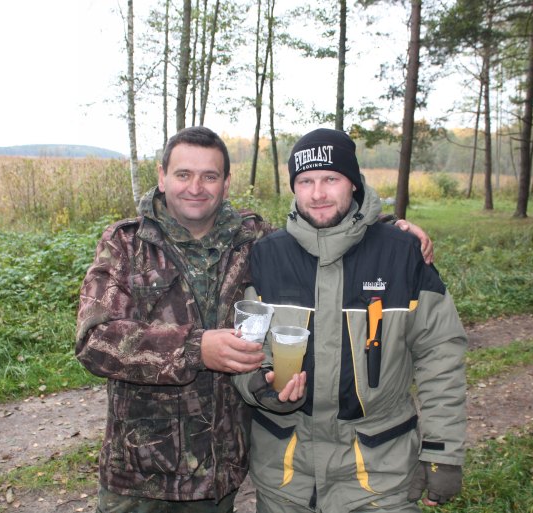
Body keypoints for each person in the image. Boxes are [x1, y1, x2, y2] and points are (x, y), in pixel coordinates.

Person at [75, 126, 435, 512]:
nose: (195, 187)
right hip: (139, 475)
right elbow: (93, 341)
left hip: (218, 475)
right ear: (162, 177)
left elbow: (319, 237)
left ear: (226, 183)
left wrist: (388, 232)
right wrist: (195, 348)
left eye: (209, 176)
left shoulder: (253, 239)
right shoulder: (126, 244)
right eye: (183, 174)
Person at [233, 128, 467, 513]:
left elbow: (440, 356)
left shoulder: (401, 255)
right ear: (293, 187)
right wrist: (262, 386)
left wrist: (442, 452)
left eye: (331, 179)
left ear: (354, 183)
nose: (318, 193)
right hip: (286, 474)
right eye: (305, 181)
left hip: (379, 472)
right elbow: (244, 348)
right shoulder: (268, 257)